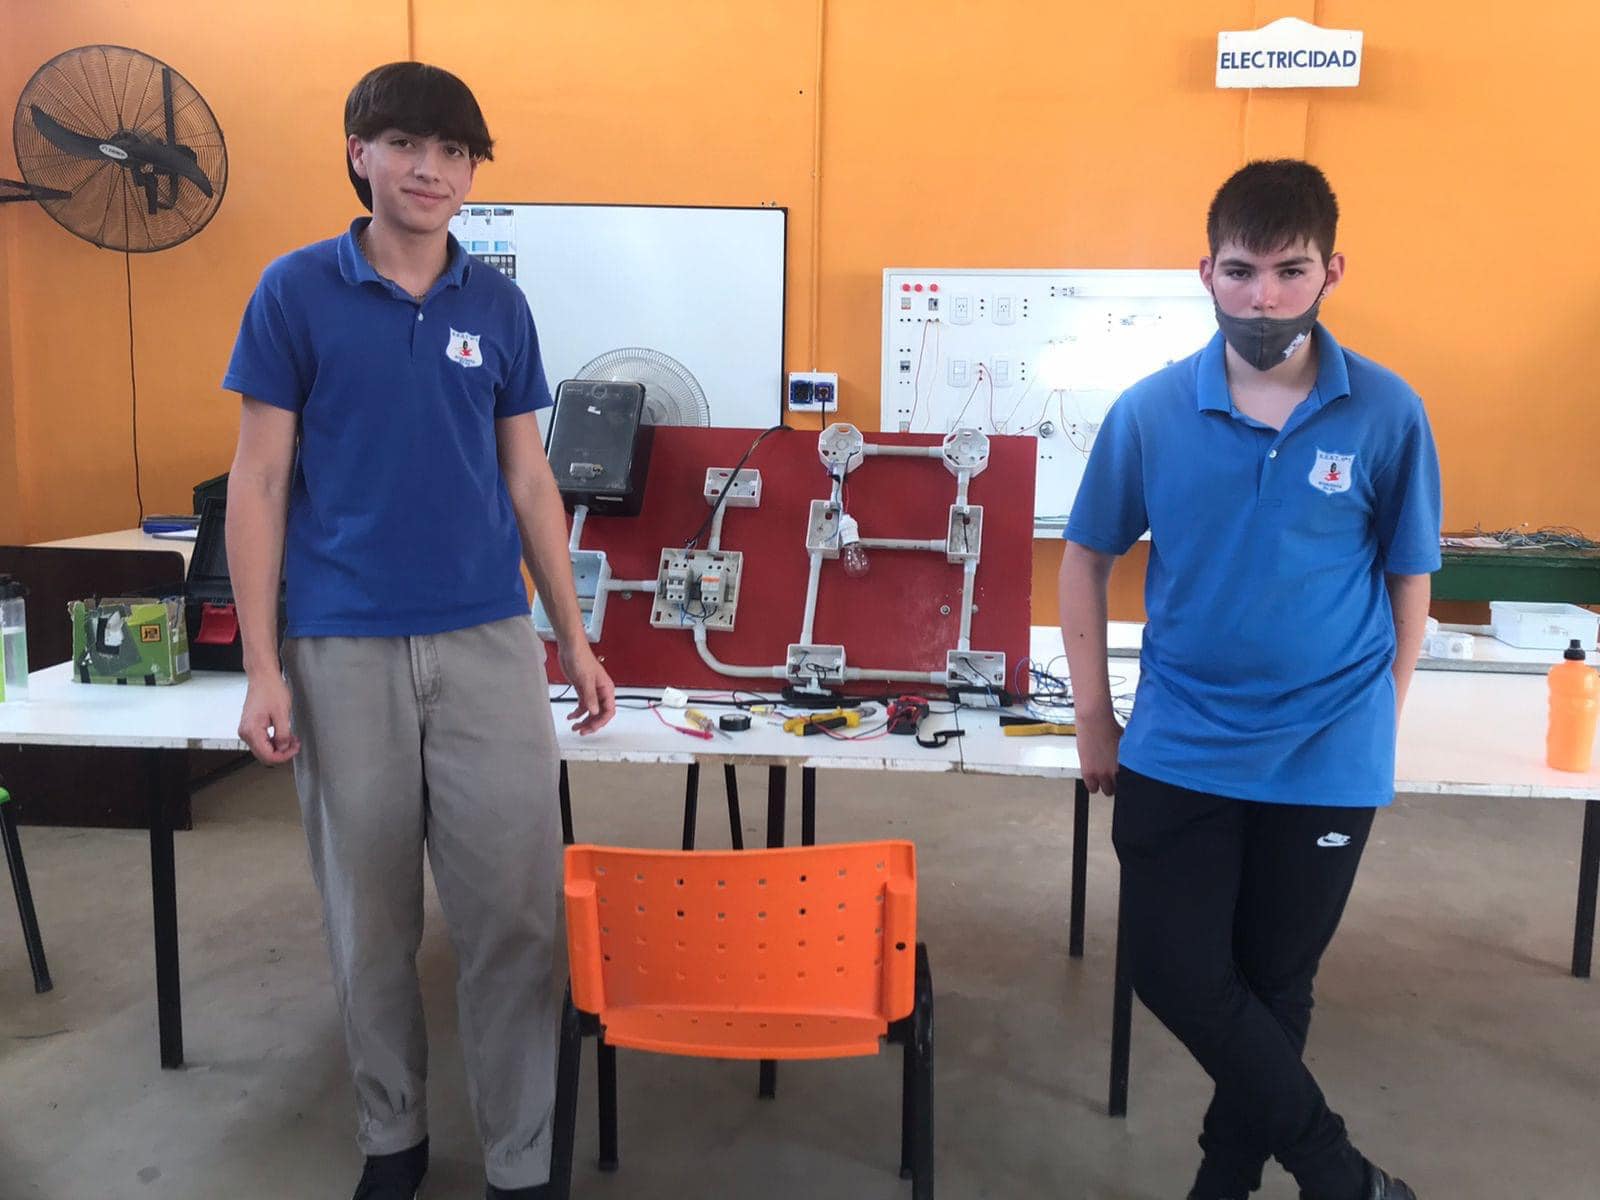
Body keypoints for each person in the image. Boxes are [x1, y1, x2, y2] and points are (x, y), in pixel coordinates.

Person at [222, 61, 616, 1200]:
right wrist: (262, 667)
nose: (429, 169)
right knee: (369, 918)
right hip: (341, 645)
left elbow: (530, 481)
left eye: (452, 152)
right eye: (404, 144)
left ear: (472, 172)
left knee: (514, 918)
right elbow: (259, 482)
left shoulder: (497, 306)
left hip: (488, 642)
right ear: (360, 154)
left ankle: (521, 1160)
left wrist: (575, 639)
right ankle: (391, 1139)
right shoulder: (294, 292)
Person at [1058, 159, 1439, 1200]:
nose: (1263, 297)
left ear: (1330, 273)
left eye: (1289, 270)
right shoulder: (1149, 412)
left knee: (1276, 982)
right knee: (1174, 972)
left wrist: (1382, 713)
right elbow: (1085, 558)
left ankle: (1223, 1181)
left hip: (1327, 751)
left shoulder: (1387, 413)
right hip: (1180, 739)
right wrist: (1093, 717)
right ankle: (1338, 1173)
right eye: (1240, 271)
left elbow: (1409, 578)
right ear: (1206, 273)